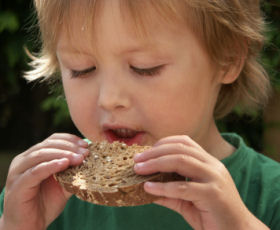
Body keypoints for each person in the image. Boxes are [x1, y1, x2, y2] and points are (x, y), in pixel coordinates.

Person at [0, 0, 279, 229]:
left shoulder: (270, 196)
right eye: (81, 69)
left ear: (227, 60)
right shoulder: (37, 197)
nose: (109, 99)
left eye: (145, 68)